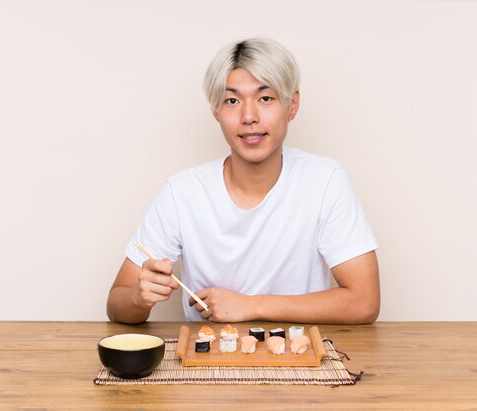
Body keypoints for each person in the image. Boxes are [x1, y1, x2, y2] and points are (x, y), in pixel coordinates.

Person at [107, 38, 380, 325]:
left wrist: (252, 306)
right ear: (216, 111)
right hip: (208, 361)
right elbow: (116, 303)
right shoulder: (182, 192)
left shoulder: (325, 180)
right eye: (232, 101)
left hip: (300, 359)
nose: (249, 117)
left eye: (265, 98)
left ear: (292, 105)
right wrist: (139, 298)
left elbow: (364, 302)